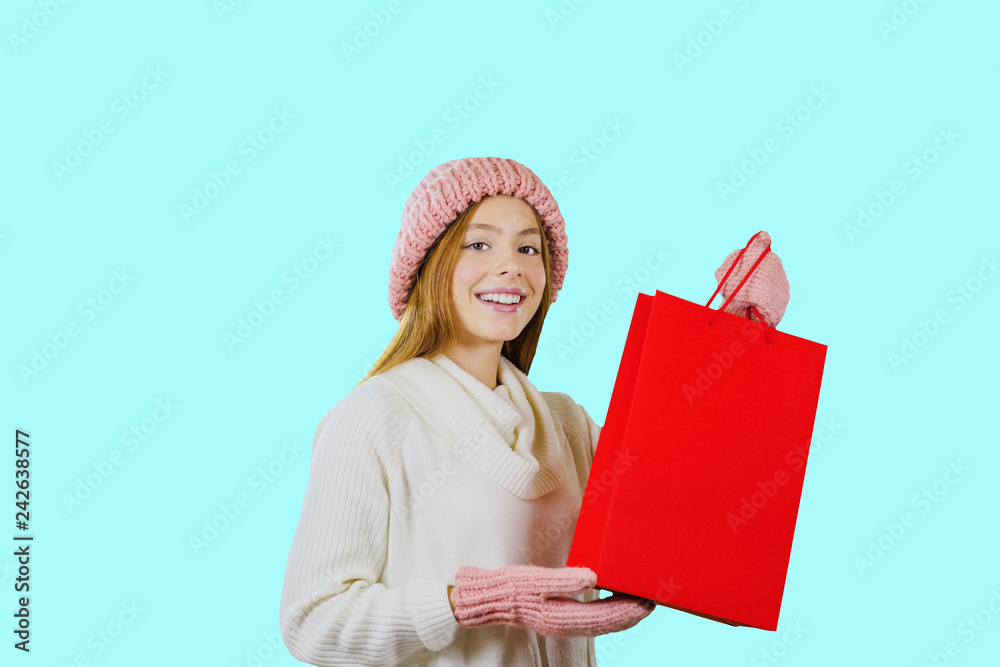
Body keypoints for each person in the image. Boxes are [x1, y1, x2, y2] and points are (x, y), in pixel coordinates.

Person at [278, 157, 790, 666]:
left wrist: (734, 343)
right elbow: (313, 622)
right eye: (478, 244)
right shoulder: (377, 415)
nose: (512, 266)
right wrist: (472, 602)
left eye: (529, 248)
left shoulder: (567, 424)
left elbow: (687, 522)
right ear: (427, 265)